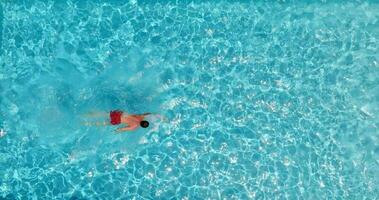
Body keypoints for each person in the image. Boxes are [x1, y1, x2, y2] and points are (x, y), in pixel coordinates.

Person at [83, 110, 158, 132]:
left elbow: (146, 113)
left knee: (103, 114)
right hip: (118, 120)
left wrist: (153, 114)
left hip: (120, 114)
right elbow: (122, 129)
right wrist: (117, 131)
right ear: (141, 126)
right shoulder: (134, 126)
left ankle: (85, 115)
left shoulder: (140, 117)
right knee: (104, 123)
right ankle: (86, 123)